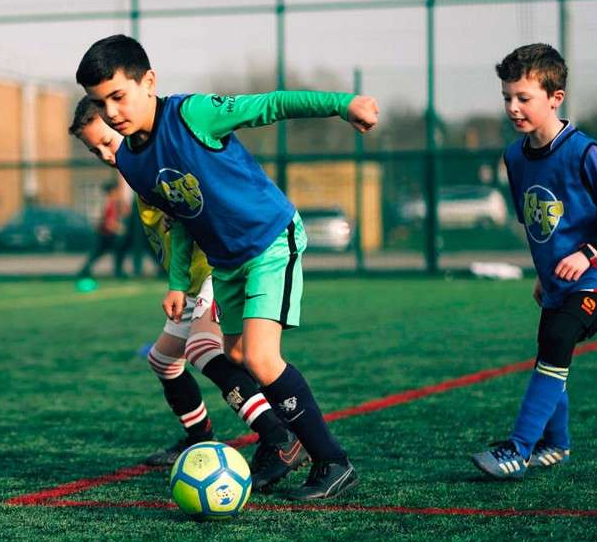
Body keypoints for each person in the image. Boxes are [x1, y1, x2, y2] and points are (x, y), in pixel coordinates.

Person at [75, 34, 379, 500]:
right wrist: (178, 283)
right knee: (234, 357)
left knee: (260, 358)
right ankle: (282, 438)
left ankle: (332, 461)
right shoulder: (133, 163)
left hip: (270, 239)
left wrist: (344, 103)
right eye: (101, 102)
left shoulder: (193, 114)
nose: (112, 112)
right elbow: (179, 221)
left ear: (149, 81)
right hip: (227, 261)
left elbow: (272, 105)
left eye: (119, 96)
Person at [70, 98, 308, 493]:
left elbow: (197, 209)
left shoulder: (155, 159)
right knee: (163, 360)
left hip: (217, 269)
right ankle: (199, 437)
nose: (105, 154)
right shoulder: (134, 172)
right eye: (94, 149)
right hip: (192, 283)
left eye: (107, 143)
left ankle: (277, 436)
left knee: (202, 348)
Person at [471, 44, 597, 479]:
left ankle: (519, 449)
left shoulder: (586, 153)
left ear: (554, 98)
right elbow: (534, 222)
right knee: (551, 350)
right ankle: (556, 444)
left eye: (523, 98)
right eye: (507, 97)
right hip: (557, 281)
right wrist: (544, 275)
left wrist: (587, 254)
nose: (513, 107)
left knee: (559, 340)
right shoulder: (514, 157)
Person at [76, 179, 129, 279]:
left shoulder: (116, 203)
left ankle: (118, 272)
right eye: (116, 190)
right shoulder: (109, 204)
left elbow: (125, 212)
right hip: (106, 235)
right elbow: (109, 223)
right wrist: (120, 229)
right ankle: (84, 271)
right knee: (98, 253)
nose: (119, 193)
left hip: (109, 235)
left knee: (118, 252)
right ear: (112, 192)